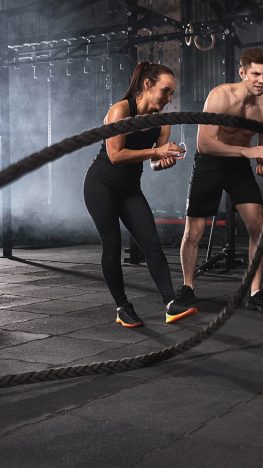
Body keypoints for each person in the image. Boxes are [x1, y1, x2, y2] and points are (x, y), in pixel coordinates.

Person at [83, 61, 198, 328]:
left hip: (129, 189)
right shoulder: (120, 111)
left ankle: (170, 304)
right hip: (100, 186)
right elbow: (115, 155)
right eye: (165, 91)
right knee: (111, 244)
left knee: (151, 244)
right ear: (147, 85)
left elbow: (154, 162)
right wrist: (156, 152)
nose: (169, 99)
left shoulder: (162, 122)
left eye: (172, 94)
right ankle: (122, 307)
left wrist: (163, 160)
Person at [173, 48, 263, 314]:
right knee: (194, 231)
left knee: (259, 226)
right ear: (242, 72)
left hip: (238, 168)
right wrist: (248, 152)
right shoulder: (220, 96)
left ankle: (255, 292)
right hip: (209, 164)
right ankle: (188, 287)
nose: (261, 80)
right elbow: (205, 143)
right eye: (255, 74)